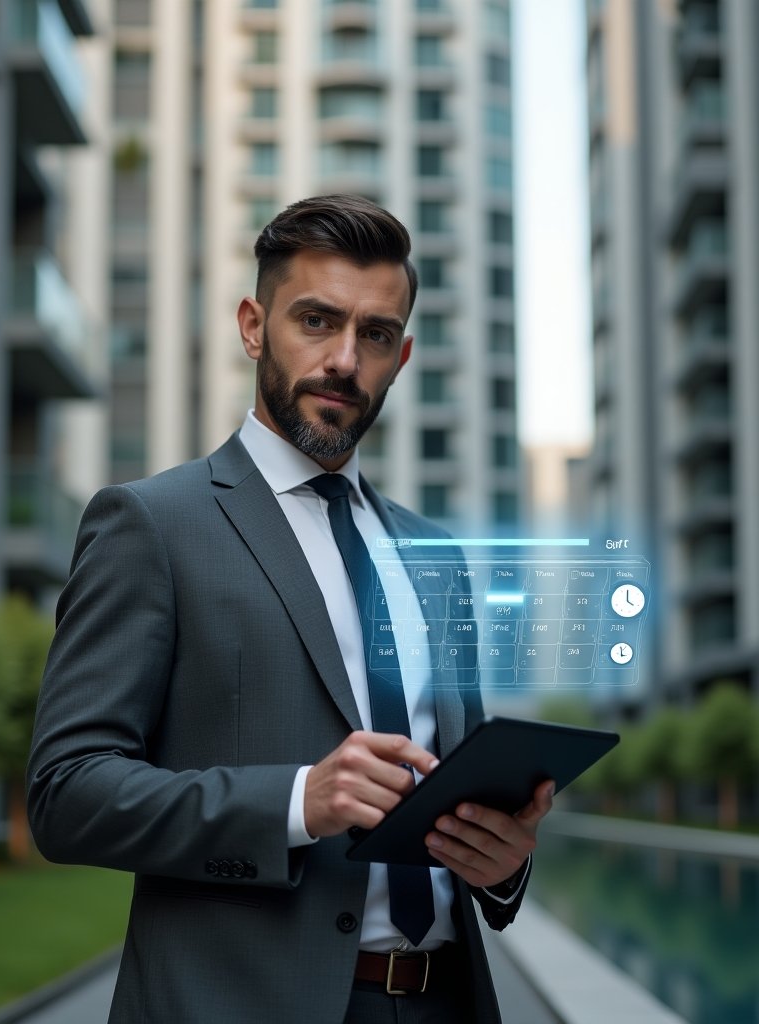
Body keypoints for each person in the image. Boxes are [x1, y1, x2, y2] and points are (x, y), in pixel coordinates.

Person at [27, 194, 554, 1024]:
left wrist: (503, 863)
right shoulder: (152, 524)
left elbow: (463, 791)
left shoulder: (437, 558)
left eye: (374, 335)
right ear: (253, 326)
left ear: (401, 357)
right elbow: (66, 793)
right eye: (316, 321)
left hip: (446, 1003)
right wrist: (298, 800)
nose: (344, 359)